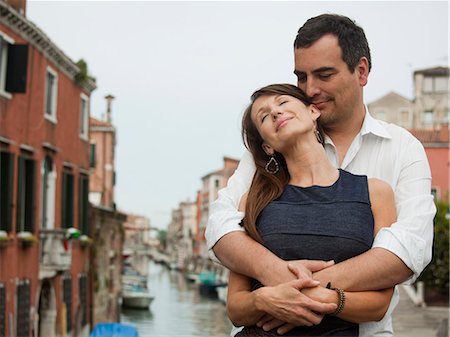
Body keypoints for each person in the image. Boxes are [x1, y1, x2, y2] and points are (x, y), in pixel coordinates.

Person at [205, 14, 436, 336]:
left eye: (324, 75)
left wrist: (300, 293)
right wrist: (274, 283)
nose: (310, 89)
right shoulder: (265, 155)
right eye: (301, 77)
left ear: (362, 71)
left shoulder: (401, 149)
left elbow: (408, 251)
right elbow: (221, 226)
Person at [226, 83, 396, 336]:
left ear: (313, 112)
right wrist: (264, 299)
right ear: (267, 147)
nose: (274, 112)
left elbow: (379, 305)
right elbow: (236, 309)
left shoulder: (376, 193)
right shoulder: (253, 201)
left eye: (283, 103)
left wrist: (316, 299)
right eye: (263, 116)